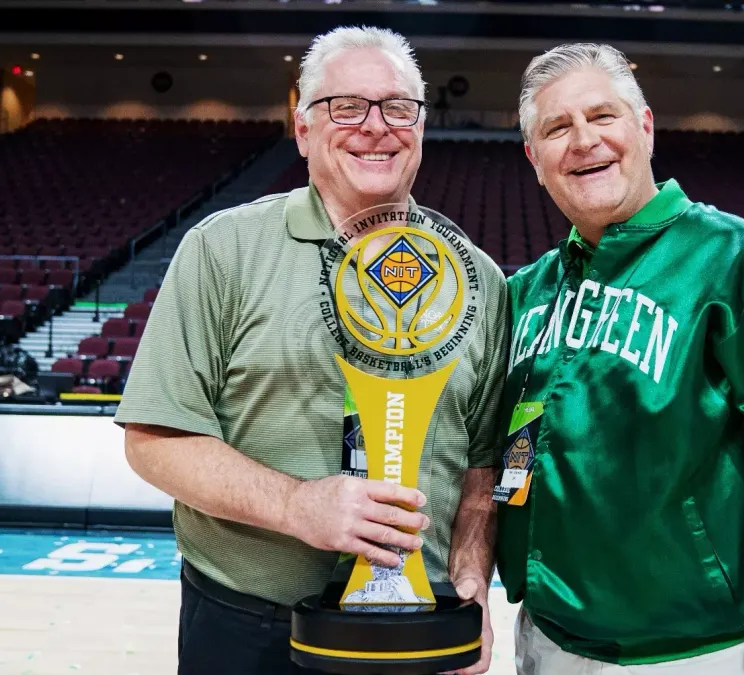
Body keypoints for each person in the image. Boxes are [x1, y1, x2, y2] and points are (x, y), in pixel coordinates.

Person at [114, 26, 506, 675]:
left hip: (418, 629)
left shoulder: (481, 281)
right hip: (246, 628)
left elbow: (482, 468)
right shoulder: (223, 251)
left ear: (422, 125)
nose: (375, 126)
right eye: (345, 106)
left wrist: (470, 584)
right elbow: (153, 440)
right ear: (302, 129)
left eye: (397, 107)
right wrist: (298, 506)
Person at [495, 43, 744, 675]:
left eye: (602, 116)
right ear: (535, 159)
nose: (584, 140)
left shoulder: (743, 263)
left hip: (700, 651)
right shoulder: (527, 292)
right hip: (546, 642)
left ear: (645, 127)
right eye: (557, 128)